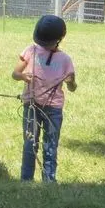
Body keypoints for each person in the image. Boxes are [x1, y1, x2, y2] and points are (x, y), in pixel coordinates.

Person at [12, 14, 77, 183]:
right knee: (29, 144)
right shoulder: (30, 51)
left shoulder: (65, 59)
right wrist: (22, 76)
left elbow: (72, 86)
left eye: (47, 43)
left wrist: (71, 82)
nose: (43, 46)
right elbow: (15, 73)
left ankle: (49, 180)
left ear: (58, 40)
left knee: (51, 144)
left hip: (53, 109)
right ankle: (26, 179)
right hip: (31, 106)